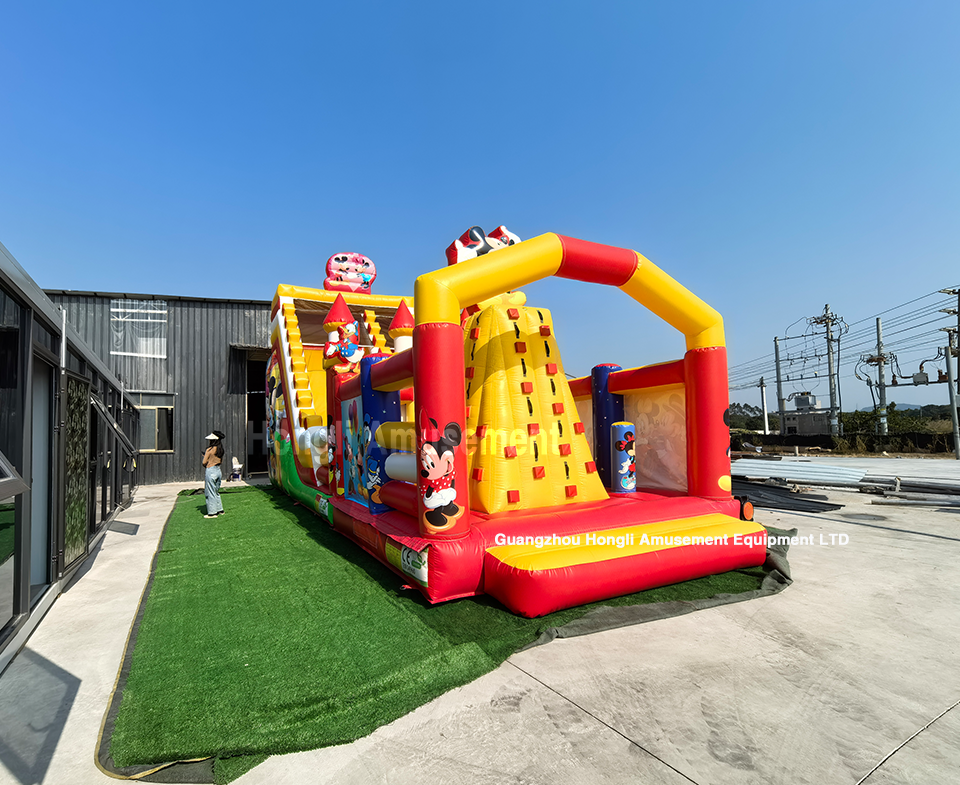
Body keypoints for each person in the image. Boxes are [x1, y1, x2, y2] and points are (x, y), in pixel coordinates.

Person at [202, 430, 226, 518]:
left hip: (210, 470)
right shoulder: (220, 449)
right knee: (215, 491)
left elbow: (204, 462)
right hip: (218, 470)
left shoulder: (209, 449)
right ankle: (220, 509)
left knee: (210, 492)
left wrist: (205, 457)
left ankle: (212, 513)